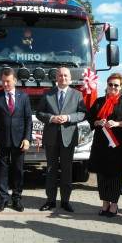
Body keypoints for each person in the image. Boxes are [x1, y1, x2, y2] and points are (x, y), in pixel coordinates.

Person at [36, 67, 87, 212]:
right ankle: (50, 201)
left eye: (65, 76)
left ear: (70, 78)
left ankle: (65, 201)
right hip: (51, 138)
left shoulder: (77, 94)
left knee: (67, 170)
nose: (62, 78)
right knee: (51, 170)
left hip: (68, 138)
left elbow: (82, 114)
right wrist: (51, 118)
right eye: (60, 75)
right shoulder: (47, 94)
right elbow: (39, 113)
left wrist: (68, 117)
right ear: (56, 78)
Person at [0, 67, 32, 212]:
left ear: (15, 81)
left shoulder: (23, 97)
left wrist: (27, 138)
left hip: (19, 141)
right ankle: (3, 199)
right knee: (2, 170)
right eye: (3, 82)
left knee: (18, 170)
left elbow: (28, 120)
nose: (5, 84)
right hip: (1, 140)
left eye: (8, 81)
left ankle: (17, 199)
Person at [87, 73, 122, 217]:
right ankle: (104, 202)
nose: (113, 87)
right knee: (102, 174)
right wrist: (97, 122)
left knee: (115, 175)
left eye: (116, 85)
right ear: (106, 85)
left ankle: (113, 204)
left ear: (121, 87)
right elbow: (90, 118)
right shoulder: (100, 101)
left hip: (117, 145)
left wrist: (118, 123)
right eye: (110, 84)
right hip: (101, 145)